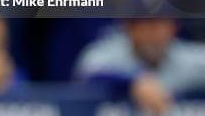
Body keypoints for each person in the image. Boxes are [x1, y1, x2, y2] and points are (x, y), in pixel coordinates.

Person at [74, 18, 205, 115]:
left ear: (173, 28)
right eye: (142, 25)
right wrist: (133, 82)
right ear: (129, 29)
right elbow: (87, 73)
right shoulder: (110, 53)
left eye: (157, 26)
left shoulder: (188, 57)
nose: (151, 35)